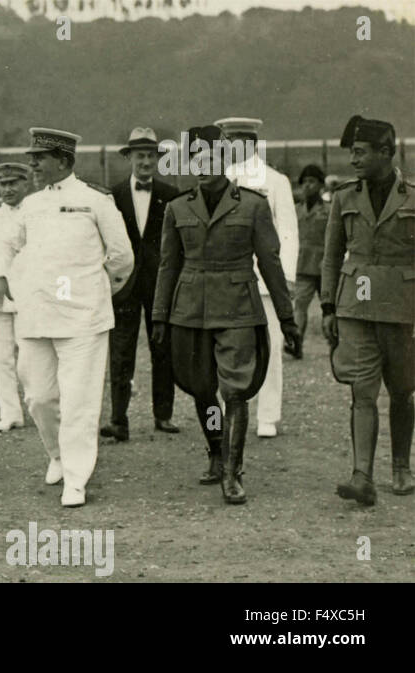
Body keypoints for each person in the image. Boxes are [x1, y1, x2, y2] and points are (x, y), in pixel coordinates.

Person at [152, 125, 297, 506]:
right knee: (202, 388)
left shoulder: (252, 204)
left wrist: (287, 317)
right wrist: (159, 316)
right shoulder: (177, 207)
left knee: (235, 389)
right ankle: (216, 450)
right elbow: (168, 265)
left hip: (237, 308)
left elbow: (270, 262)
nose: (201, 165)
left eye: (209, 157)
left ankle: (233, 471)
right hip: (191, 311)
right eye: (195, 158)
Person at [0, 128, 132, 506]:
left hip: (83, 318)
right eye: (32, 157)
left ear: (64, 161)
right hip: (36, 315)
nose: (32, 163)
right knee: (37, 395)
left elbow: (121, 257)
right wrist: (1, 274)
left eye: (40, 157)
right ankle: (56, 454)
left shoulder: (95, 201)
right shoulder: (31, 205)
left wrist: (97, 293)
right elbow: (8, 245)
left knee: (79, 401)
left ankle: (76, 477)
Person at [321, 115, 414, 506]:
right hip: (355, 309)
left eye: (361, 152)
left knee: (403, 392)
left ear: (386, 152)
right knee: (362, 392)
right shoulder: (345, 196)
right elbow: (330, 256)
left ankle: (400, 466)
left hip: (403, 309)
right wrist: (327, 305)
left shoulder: (412, 196)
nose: (354, 160)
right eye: (352, 153)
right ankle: (363, 476)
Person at [217, 116, 299, 438]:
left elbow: (289, 231)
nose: (228, 145)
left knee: (270, 346)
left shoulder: (274, 181)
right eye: (225, 140)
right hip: (227, 278)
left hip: (264, 282)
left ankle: (267, 416)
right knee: (227, 346)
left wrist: (286, 277)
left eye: (233, 140)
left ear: (249, 142)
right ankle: (229, 409)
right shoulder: (219, 178)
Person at [102, 127, 181, 441]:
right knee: (121, 353)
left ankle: (163, 415)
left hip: (160, 284)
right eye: (140, 156)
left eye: (151, 155)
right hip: (124, 286)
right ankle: (118, 420)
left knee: (162, 349)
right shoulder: (114, 195)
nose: (145, 161)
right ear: (130, 158)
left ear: (158, 159)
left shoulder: (171, 194)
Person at [0, 162, 32, 433]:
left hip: (28, 294)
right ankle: (10, 413)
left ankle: (38, 405)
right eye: (4, 184)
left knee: (30, 356)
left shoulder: (36, 213)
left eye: (14, 183)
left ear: (26, 184)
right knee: (2, 356)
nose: (9, 189)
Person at [291, 164, 328, 358]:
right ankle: (296, 344)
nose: (307, 186)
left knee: (330, 308)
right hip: (303, 266)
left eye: (312, 181)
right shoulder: (295, 210)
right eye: (304, 182)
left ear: (321, 185)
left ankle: (335, 346)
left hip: (325, 267)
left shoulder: (329, 210)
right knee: (300, 307)